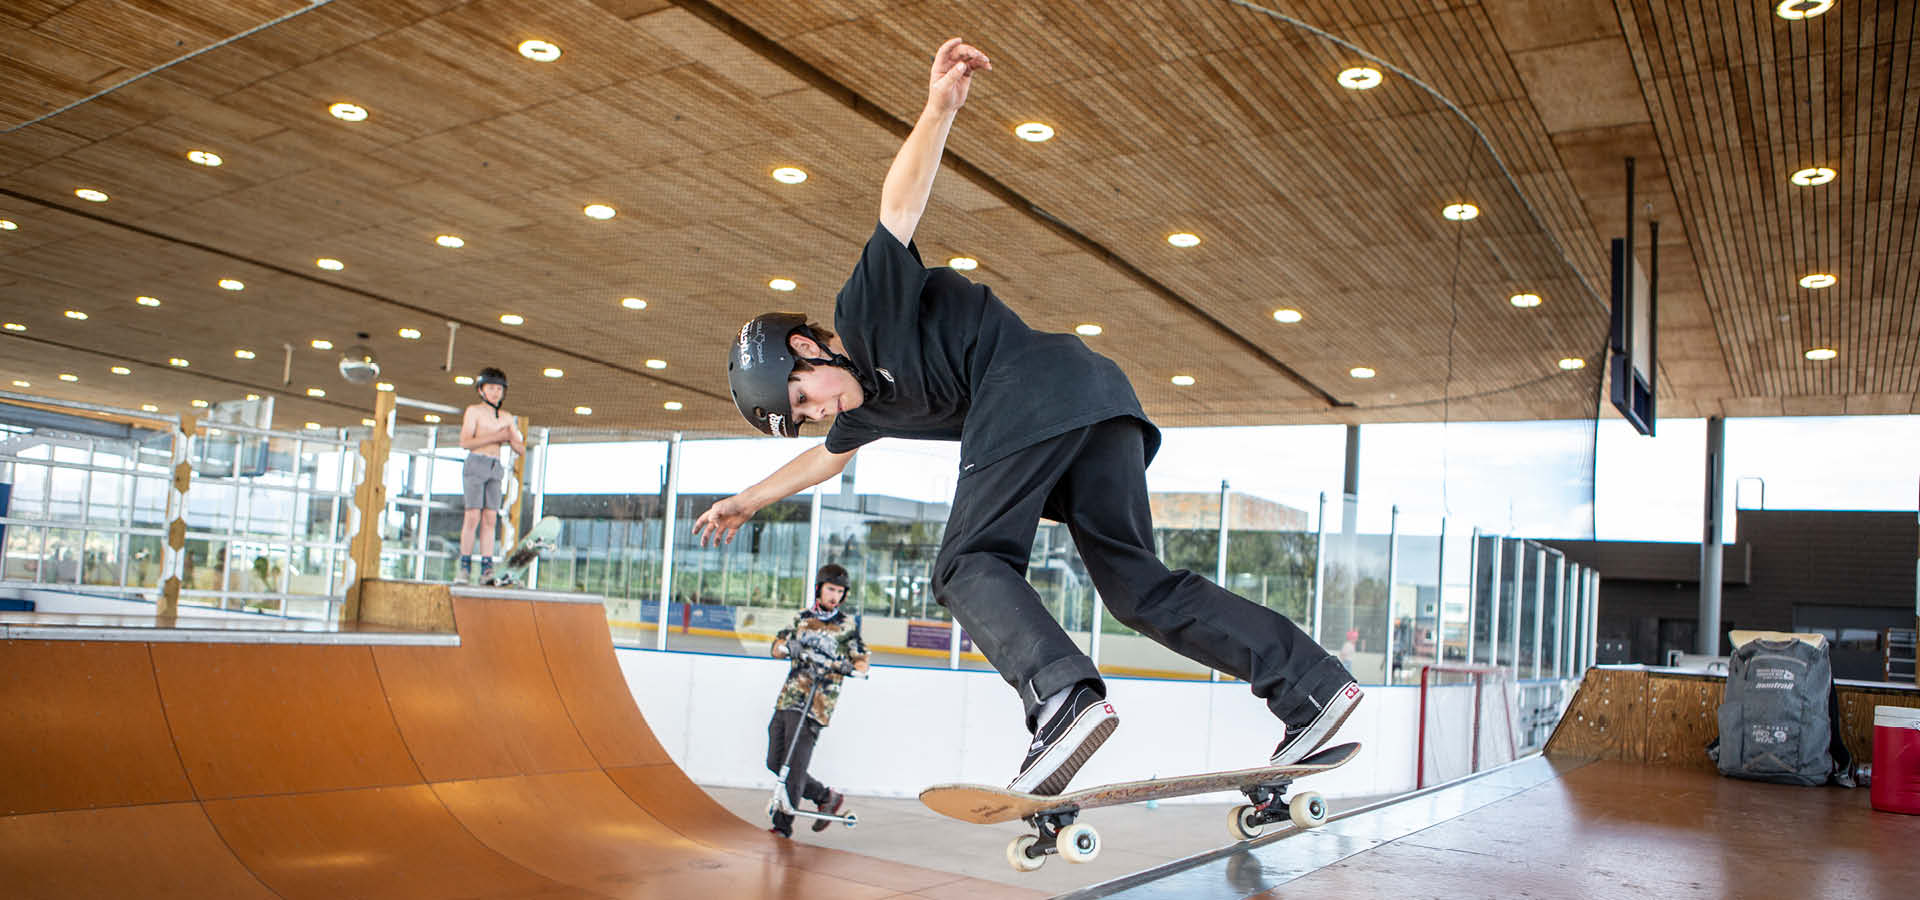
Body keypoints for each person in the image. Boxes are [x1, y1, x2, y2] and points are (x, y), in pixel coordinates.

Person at [695, 38, 1362, 797]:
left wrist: (937, 108)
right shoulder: (866, 408)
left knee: (965, 563)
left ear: (809, 346)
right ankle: (1309, 682)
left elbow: (898, 209)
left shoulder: (865, 310)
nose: (818, 411)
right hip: (1094, 409)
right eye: (804, 415)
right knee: (1139, 591)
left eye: (805, 394)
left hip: (1034, 393)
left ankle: (1062, 699)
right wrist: (749, 499)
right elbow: (828, 459)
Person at [764, 563, 870, 838]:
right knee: (775, 761)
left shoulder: (846, 627)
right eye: (830, 589)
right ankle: (826, 796)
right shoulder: (801, 619)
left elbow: (862, 663)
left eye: (839, 591)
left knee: (794, 766)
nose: (834, 595)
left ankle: (782, 826)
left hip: (816, 705)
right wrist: (789, 647)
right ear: (819, 590)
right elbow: (775, 647)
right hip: (789, 697)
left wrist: (849, 668)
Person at [456, 367, 523, 585]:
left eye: (499, 388)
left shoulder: (507, 417)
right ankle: (464, 567)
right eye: (491, 388)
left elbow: (520, 448)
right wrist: (497, 436)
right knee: (472, 516)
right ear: (481, 390)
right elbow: (466, 442)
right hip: (477, 463)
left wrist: (510, 436)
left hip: (496, 466)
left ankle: (487, 568)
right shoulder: (473, 411)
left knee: (490, 518)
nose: (496, 392)